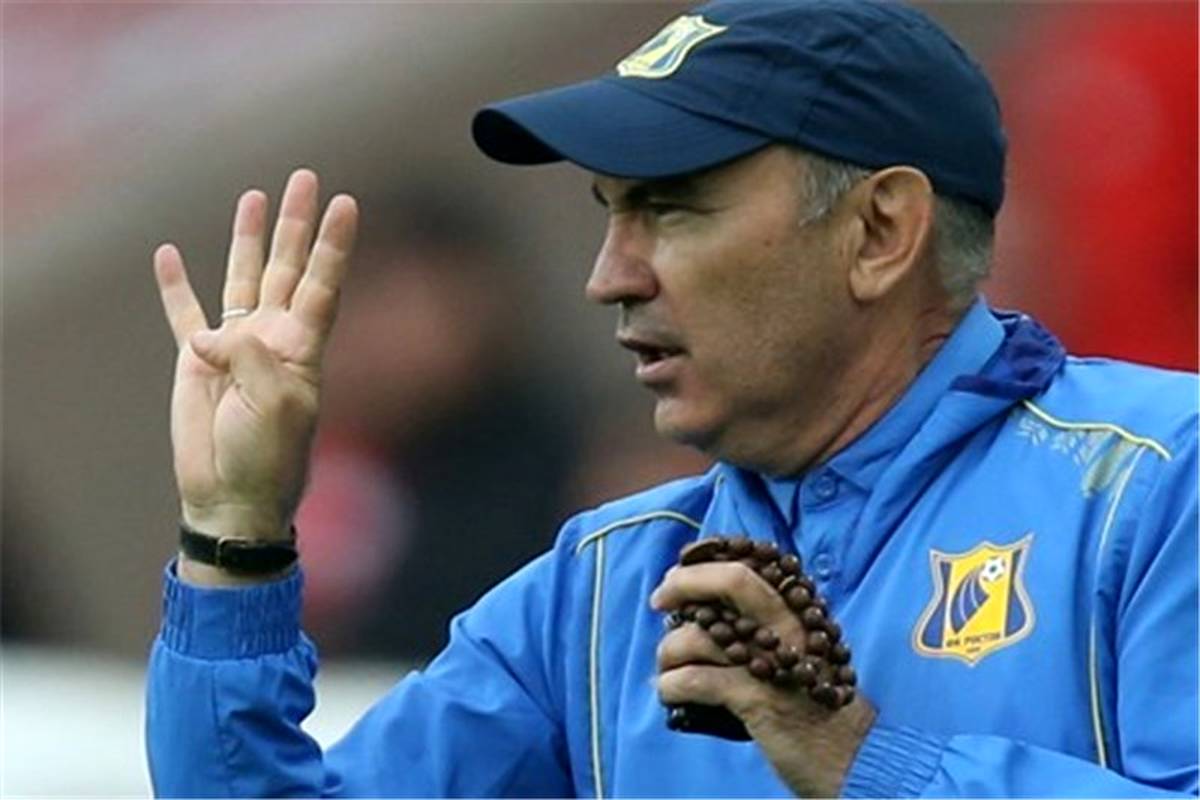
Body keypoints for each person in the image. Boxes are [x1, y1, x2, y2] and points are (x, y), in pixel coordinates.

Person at [146, 1, 1198, 797]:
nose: (610, 275)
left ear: (880, 231)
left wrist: (860, 763)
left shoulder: (1158, 483)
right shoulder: (601, 589)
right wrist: (234, 541)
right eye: (611, 212)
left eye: (673, 208)